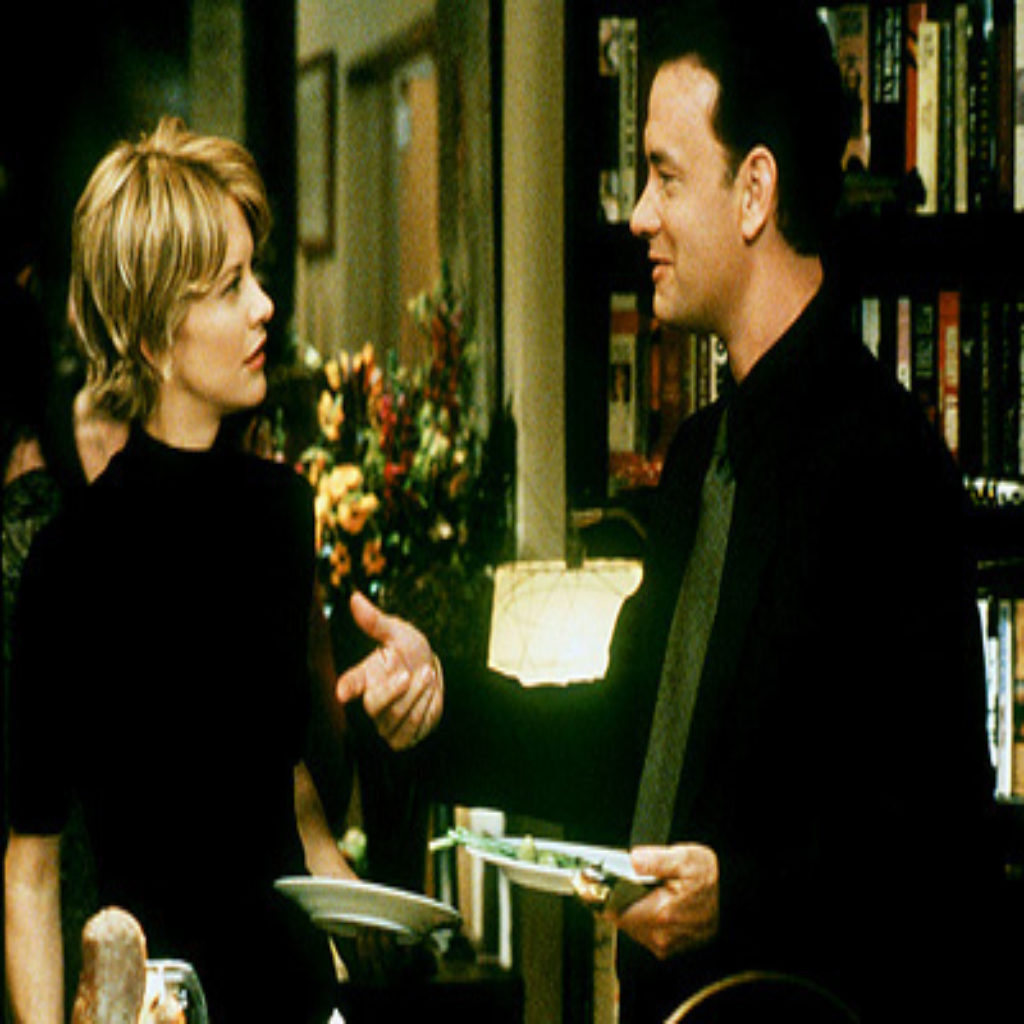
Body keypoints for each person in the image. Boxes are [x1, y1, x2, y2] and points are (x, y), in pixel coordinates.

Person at [334, 2, 1002, 1020]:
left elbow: (940, 841)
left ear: (754, 192)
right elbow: (623, 746)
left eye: (665, 175)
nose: (639, 214)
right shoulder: (698, 459)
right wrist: (439, 702)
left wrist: (743, 896)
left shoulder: (887, 467)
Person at [5, 116, 353, 1024]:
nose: (264, 304)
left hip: (297, 1001)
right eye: (231, 286)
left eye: (255, 275)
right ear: (157, 337)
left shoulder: (284, 514)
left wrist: (369, 936)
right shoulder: (70, 564)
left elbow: (288, 791)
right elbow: (31, 870)